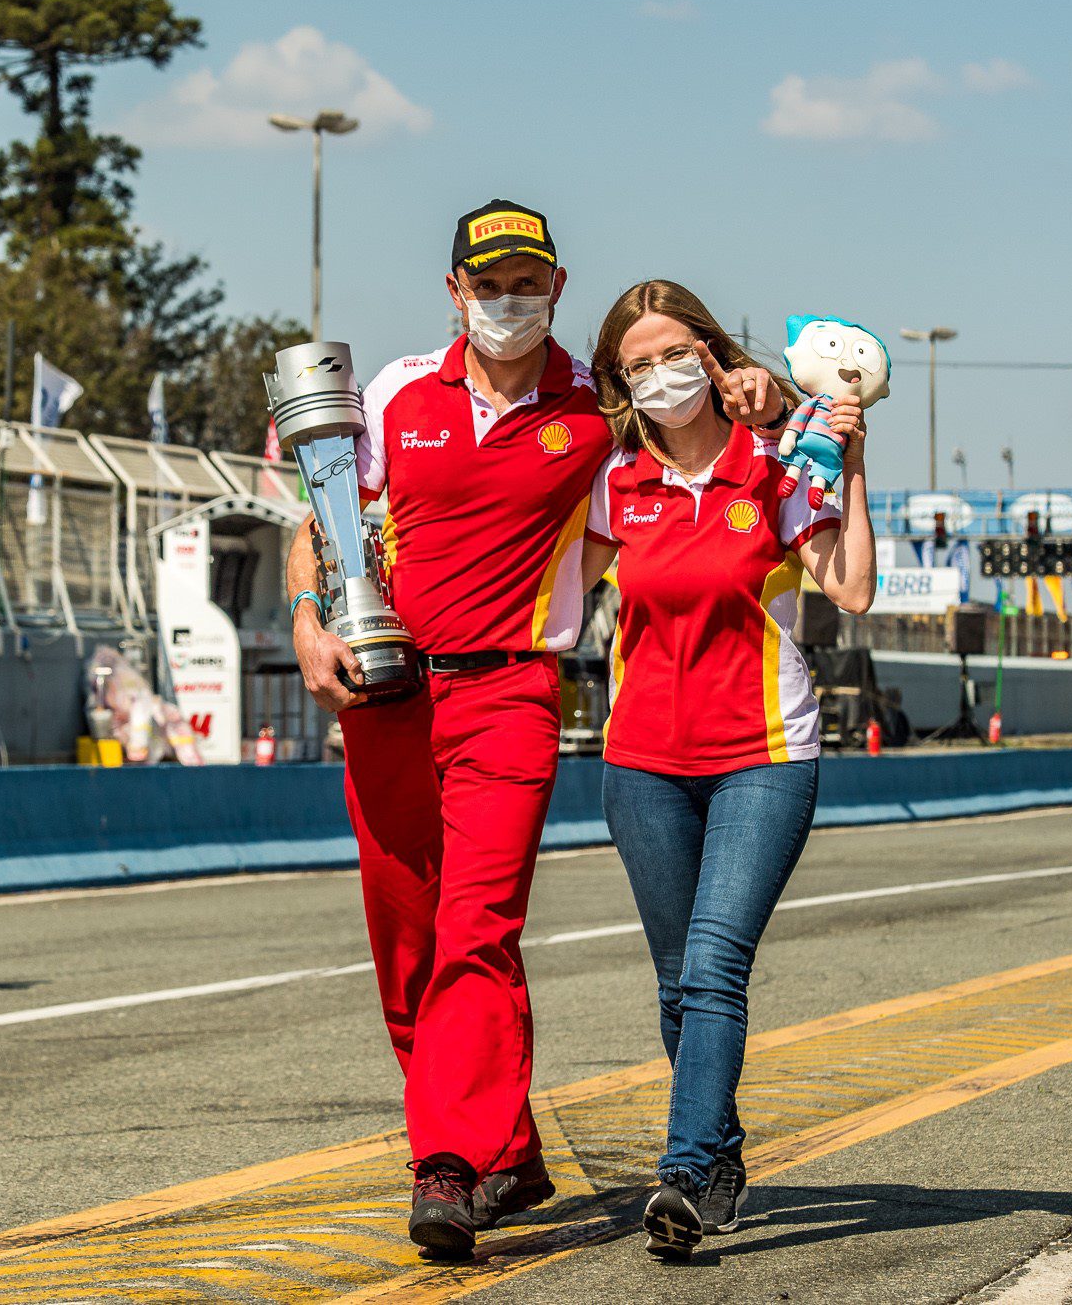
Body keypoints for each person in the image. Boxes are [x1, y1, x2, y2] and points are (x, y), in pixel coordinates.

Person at [287, 204, 786, 1257]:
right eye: (489, 282)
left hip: (509, 692)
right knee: (407, 945)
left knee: (476, 926)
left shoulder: (597, 414)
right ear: (454, 291)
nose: (508, 300)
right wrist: (304, 622)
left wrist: (760, 392)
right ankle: (504, 1146)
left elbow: (704, 437)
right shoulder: (391, 390)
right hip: (384, 691)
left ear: (556, 286)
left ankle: (448, 1166)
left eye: (528, 281)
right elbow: (322, 517)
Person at [580, 280, 875, 1260]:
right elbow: (537, 605)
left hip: (763, 757)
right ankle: (717, 1159)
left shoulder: (781, 464)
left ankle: (681, 1174)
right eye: (638, 365)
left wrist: (853, 464)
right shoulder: (612, 485)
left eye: (676, 353)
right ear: (621, 384)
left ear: (714, 355)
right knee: (675, 984)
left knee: (712, 967)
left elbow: (854, 587)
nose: (661, 375)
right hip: (641, 766)